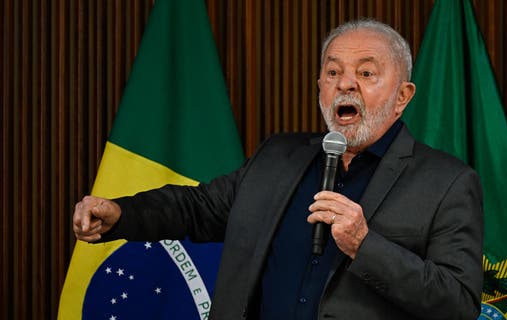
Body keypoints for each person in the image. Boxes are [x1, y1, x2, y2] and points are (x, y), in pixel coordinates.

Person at [73, 19, 483, 320]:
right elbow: (198, 208)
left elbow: (458, 303)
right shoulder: (278, 156)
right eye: (333, 71)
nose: (346, 84)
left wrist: (364, 244)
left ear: (402, 96)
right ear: (319, 86)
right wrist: (122, 214)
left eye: (366, 72)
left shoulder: (447, 183)